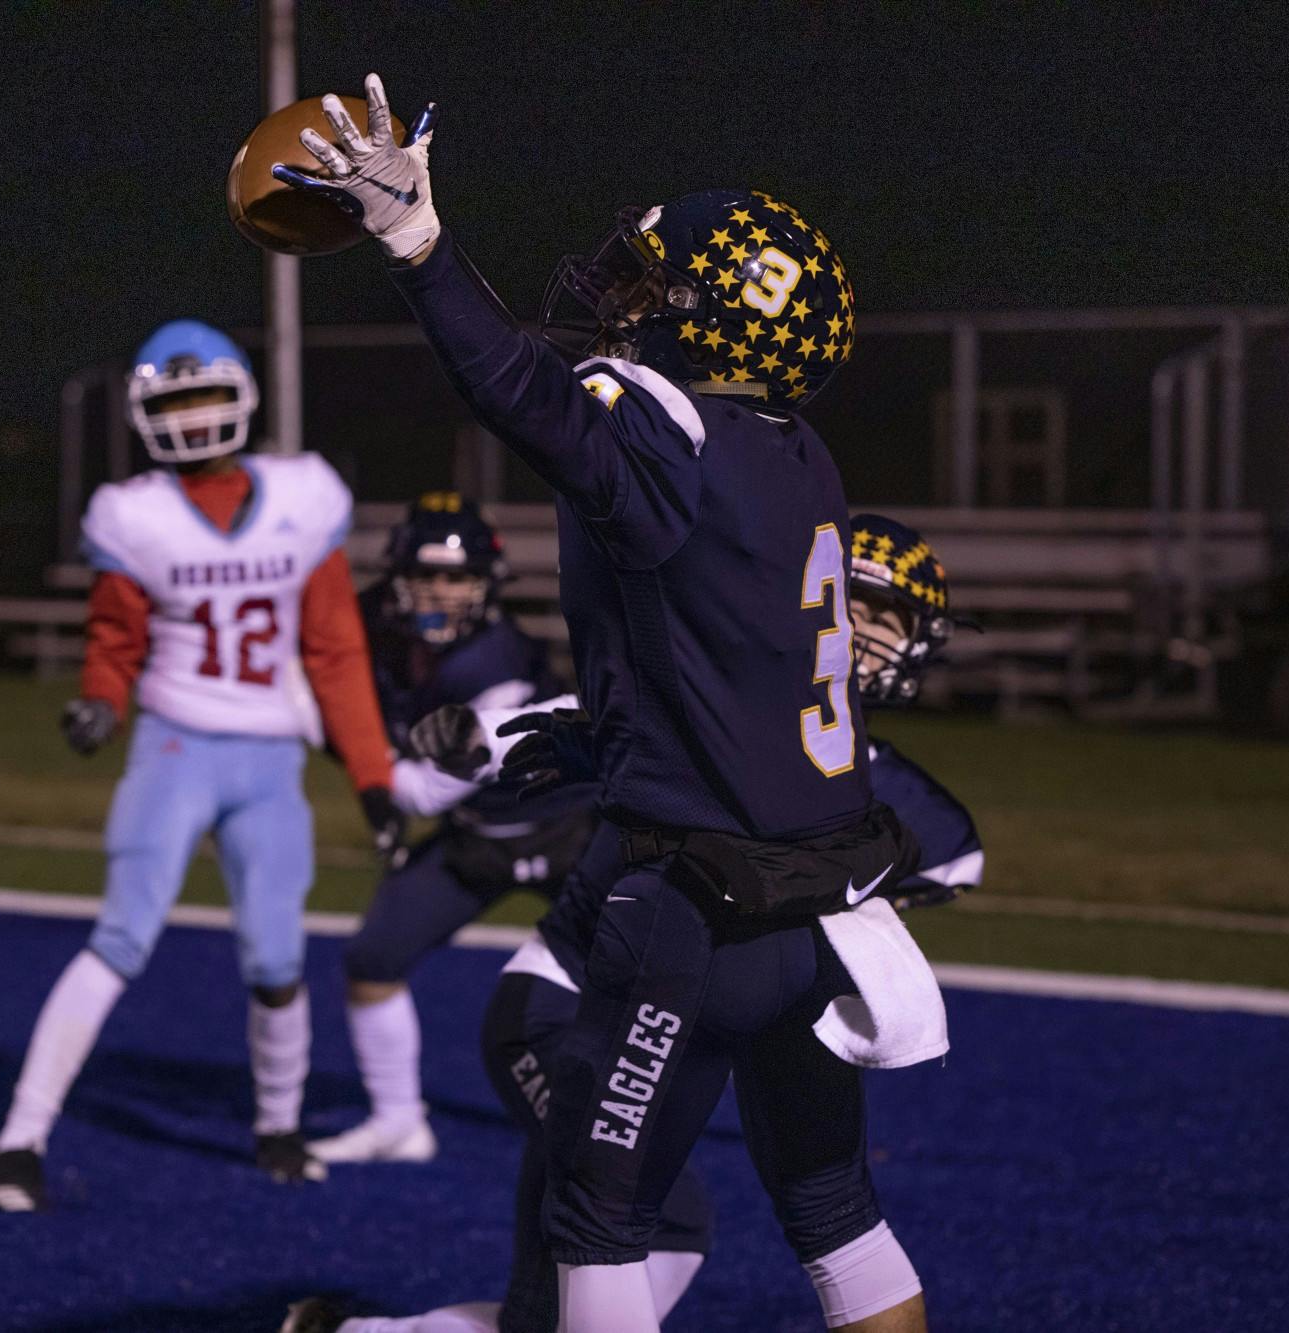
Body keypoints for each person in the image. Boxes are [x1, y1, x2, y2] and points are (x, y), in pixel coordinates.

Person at [277, 78, 938, 1331]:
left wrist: (416, 245)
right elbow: (724, 651)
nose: (625, 302)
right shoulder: (797, 456)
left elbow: (520, 396)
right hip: (823, 908)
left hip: (691, 907)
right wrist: (610, 730)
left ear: (707, 325)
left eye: (653, 286)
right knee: (835, 1209)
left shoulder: (661, 430)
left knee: (595, 1218)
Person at [284, 513, 981, 1333]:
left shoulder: (859, 767)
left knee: (669, 1239)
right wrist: (479, 738)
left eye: (878, 617)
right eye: (845, 604)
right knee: (602, 1254)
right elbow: (589, 708)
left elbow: (955, 856)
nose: (855, 632)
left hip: (682, 1020)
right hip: (567, 1010)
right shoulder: (709, 707)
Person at [0, 320, 403, 1208]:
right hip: (175, 743)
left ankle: (278, 1124)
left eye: (206, 394)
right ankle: (19, 1136)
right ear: (146, 415)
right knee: (122, 935)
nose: (196, 415)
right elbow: (115, 637)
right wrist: (102, 697)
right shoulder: (135, 514)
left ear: (242, 394)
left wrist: (372, 775)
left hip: (269, 757)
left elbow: (336, 652)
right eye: (175, 401)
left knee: (279, 956)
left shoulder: (301, 493)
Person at [311, 492, 597, 1166]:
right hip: (476, 838)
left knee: (658, 972)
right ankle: (398, 1120)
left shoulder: (497, 663)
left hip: (568, 831)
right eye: (428, 573)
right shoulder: (384, 640)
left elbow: (419, 790)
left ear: (487, 585)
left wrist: (342, 740)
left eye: (458, 576)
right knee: (374, 958)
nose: (442, 590)